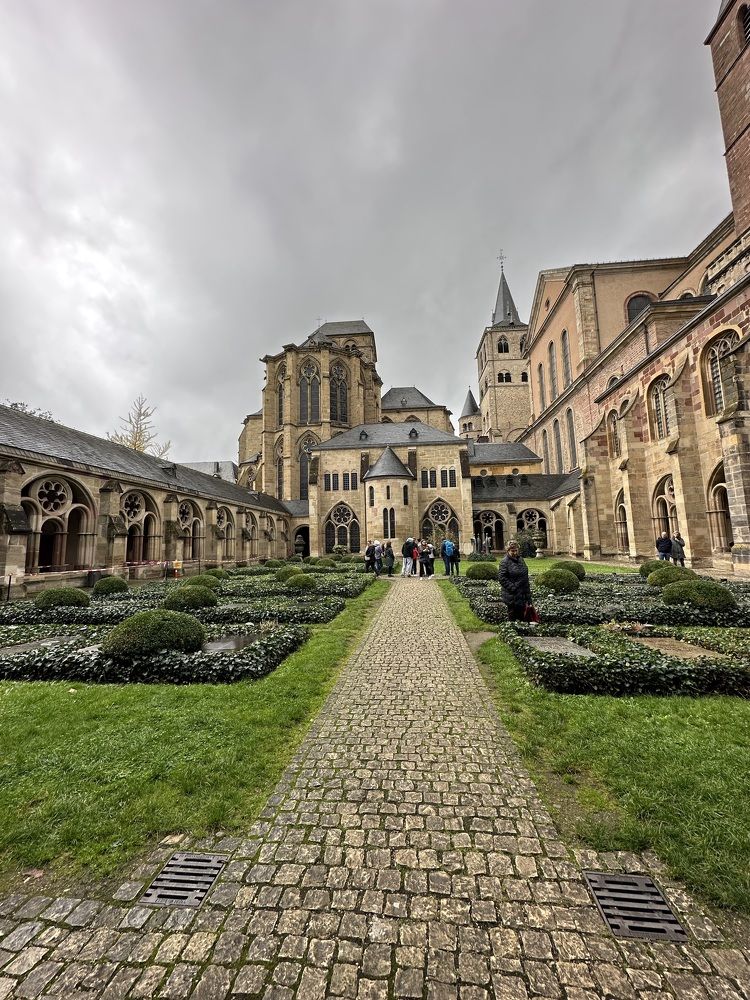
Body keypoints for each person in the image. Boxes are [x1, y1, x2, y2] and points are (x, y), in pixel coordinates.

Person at [499, 541, 532, 622]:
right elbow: (502, 578)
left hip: (522, 593)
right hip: (511, 595)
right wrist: (513, 588)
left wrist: (528, 596)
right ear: (508, 551)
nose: (515, 552)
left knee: (523, 617)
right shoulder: (504, 562)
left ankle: (522, 632)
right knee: (513, 617)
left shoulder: (521, 559)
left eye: (516, 550)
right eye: (512, 551)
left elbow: (525, 576)